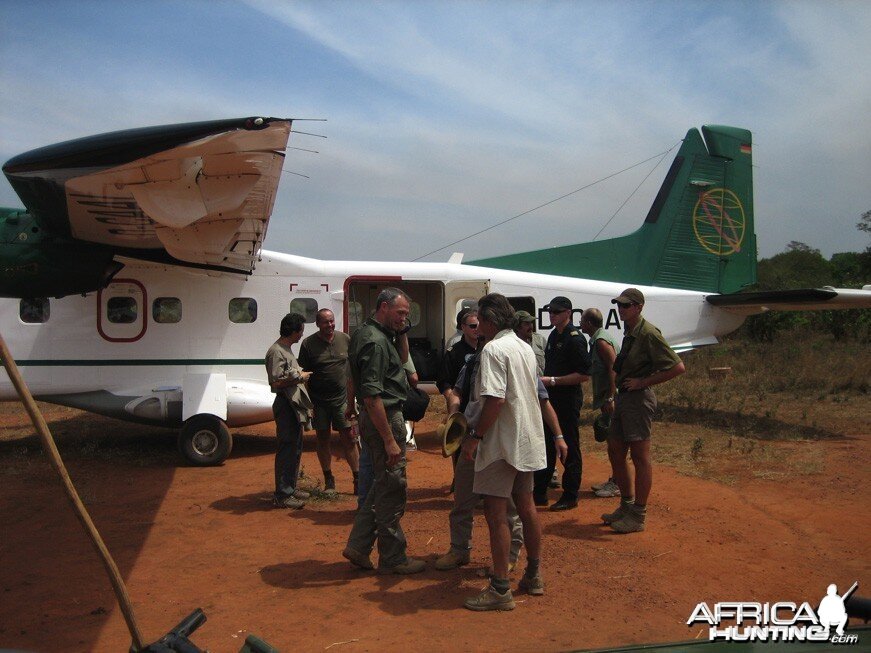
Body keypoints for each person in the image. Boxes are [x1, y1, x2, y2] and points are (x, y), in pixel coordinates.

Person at [435, 338, 566, 575]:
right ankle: (459, 549)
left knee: (507, 509)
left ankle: (507, 560)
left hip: (500, 444)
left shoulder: (514, 362)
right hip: (472, 440)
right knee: (463, 500)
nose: (481, 339)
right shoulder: (473, 362)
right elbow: (456, 392)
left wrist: (558, 435)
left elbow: (541, 400)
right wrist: (454, 416)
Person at [462, 293, 553, 612]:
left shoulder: (493, 349)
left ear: (488, 321)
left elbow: (495, 400)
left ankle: (501, 587)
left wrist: (475, 435)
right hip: (526, 438)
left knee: (496, 513)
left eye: (479, 319)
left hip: (501, 442)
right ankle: (534, 574)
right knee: (526, 506)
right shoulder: (524, 347)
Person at [342, 288, 425, 574]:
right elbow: (373, 396)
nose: (404, 318)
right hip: (384, 418)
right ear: (384, 307)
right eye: (400, 313)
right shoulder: (375, 342)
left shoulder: (372, 332)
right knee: (391, 487)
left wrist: (402, 329)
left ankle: (358, 545)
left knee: (381, 483)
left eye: (407, 314)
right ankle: (392, 558)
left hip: (378, 416)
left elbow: (401, 360)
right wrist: (390, 440)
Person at [602, 288, 685, 534]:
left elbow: (678, 367)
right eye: (619, 305)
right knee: (615, 449)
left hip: (638, 399)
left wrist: (643, 382)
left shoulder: (648, 333)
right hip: (625, 398)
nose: (621, 309)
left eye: (626, 305)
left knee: (639, 456)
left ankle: (638, 514)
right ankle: (626, 504)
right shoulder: (630, 331)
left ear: (638, 307)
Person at [533, 296, 591, 511]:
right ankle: (539, 492)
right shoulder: (554, 335)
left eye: (557, 311)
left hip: (567, 400)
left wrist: (553, 381)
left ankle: (570, 494)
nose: (552, 315)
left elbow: (584, 375)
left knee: (568, 446)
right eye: (550, 311)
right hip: (552, 398)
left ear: (568, 313)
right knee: (547, 444)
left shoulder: (574, 338)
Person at [298, 309, 359, 496]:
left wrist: (352, 400)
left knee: (349, 438)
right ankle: (329, 480)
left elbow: (353, 368)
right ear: (317, 324)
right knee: (323, 439)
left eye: (332, 321)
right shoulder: (308, 344)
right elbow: (304, 375)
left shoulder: (345, 339)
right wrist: (309, 405)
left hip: (342, 400)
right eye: (325, 322)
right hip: (319, 402)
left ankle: (358, 479)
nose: (330, 325)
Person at [265, 313, 313, 510]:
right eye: (300, 330)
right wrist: (299, 377)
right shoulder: (276, 352)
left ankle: (290, 488)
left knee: (295, 447)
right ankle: (283, 495)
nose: (301, 335)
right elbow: (275, 381)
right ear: (294, 331)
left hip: (293, 405)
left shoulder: (286, 349)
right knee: (287, 447)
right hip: (285, 405)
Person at [580, 308, 621, 498]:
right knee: (612, 441)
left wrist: (611, 397)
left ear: (588, 323)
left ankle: (618, 483)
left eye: (582, 320)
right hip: (609, 398)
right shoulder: (597, 339)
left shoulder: (601, 342)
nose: (580, 324)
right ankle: (615, 479)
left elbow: (614, 368)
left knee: (615, 442)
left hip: (614, 399)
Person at [513, 310, 545, 375]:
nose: (531, 326)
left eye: (531, 323)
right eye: (527, 324)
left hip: (541, 382)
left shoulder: (539, 339)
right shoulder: (511, 343)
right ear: (517, 327)